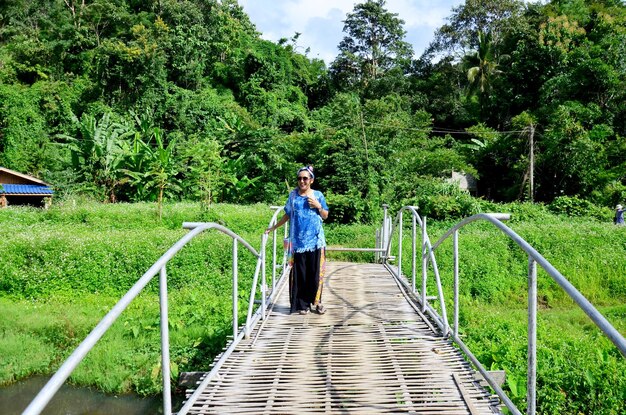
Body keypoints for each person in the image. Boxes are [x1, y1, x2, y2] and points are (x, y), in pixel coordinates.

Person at [266, 166, 329, 315]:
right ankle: (302, 305)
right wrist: (273, 228)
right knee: (300, 275)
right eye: (300, 178)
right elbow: (287, 214)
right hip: (298, 243)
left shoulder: (318, 195)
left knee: (315, 274)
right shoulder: (293, 196)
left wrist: (318, 206)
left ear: (311, 180)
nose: (302, 181)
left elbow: (325, 215)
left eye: (305, 178)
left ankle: (317, 302)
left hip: (316, 241)